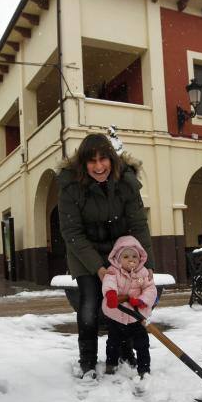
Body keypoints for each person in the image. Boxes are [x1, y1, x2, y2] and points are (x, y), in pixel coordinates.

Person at [58, 133, 155, 378]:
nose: (99, 167)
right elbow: (72, 232)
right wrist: (99, 269)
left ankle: (124, 352)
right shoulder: (70, 185)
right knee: (90, 303)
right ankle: (88, 360)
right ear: (83, 163)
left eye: (104, 159)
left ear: (112, 160)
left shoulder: (126, 182)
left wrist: (146, 264)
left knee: (124, 300)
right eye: (92, 161)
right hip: (84, 252)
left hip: (120, 253)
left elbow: (138, 224)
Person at [101, 235, 157, 377]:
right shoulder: (113, 271)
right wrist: (111, 294)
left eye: (134, 256)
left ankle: (144, 369)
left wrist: (142, 301)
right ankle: (111, 365)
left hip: (136, 316)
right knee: (113, 342)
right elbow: (108, 282)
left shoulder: (142, 273)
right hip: (116, 315)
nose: (131, 259)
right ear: (118, 259)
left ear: (140, 259)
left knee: (142, 343)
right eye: (126, 256)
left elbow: (150, 289)